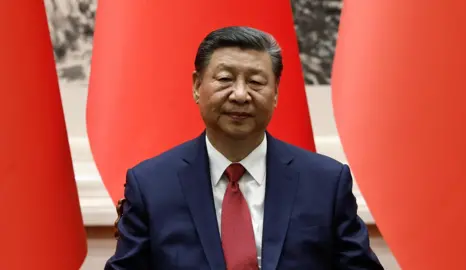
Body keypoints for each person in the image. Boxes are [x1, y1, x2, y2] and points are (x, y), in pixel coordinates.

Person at [105, 26, 383, 270]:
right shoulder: (151, 184)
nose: (240, 94)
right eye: (225, 79)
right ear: (196, 86)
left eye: (256, 82)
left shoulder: (325, 182)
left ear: (275, 93)